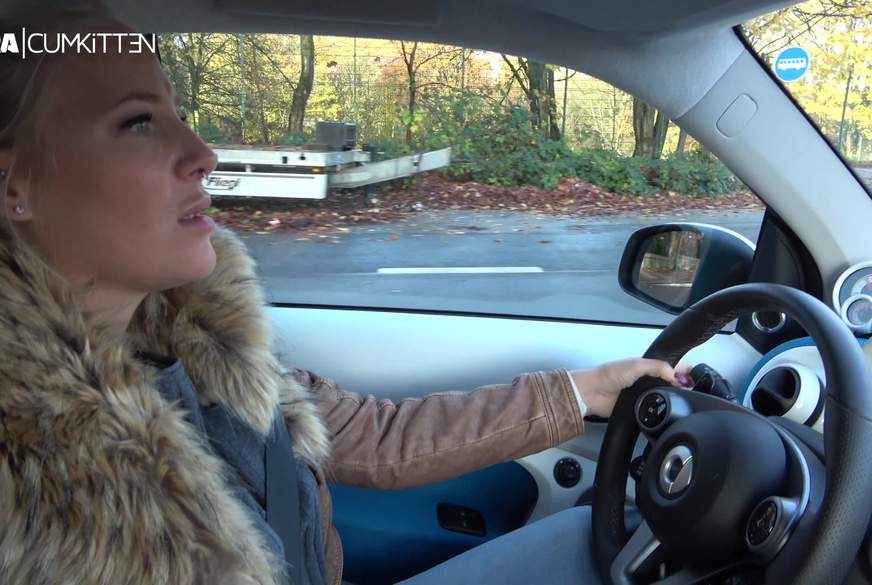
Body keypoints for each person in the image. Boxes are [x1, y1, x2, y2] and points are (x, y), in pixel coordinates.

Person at [0, 4, 687, 585]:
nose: (203, 153)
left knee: (596, 544)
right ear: (14, 186)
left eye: (177, 113)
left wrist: (580, 392)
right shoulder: (25, 479)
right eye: (139, 122)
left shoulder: (198, 335)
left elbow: (374, 437)